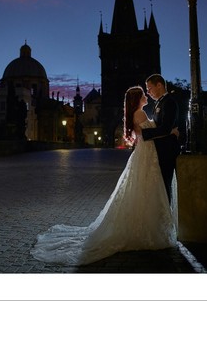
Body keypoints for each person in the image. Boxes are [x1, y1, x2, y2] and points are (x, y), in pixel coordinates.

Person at [30, 86, 178, 266]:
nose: (146, 95)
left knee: (141, 188)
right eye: (143, 94)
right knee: (144, 187)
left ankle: (145, 223)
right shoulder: (139, 114)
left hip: (145, 154)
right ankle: (146, 227)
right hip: (146, 154)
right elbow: (148, 133)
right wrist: (170, 131)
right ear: (137, 98)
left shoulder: (139, 113)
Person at [141, 74, 180, 204]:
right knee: (160, 187)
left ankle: (166, 218)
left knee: (164, 186)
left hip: (167, 151)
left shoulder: (169, 102)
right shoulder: (159, 102)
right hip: (159, 150)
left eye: (149, 88)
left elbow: (164, 128)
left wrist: (143, 133)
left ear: (159, 85)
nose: (148, 92)